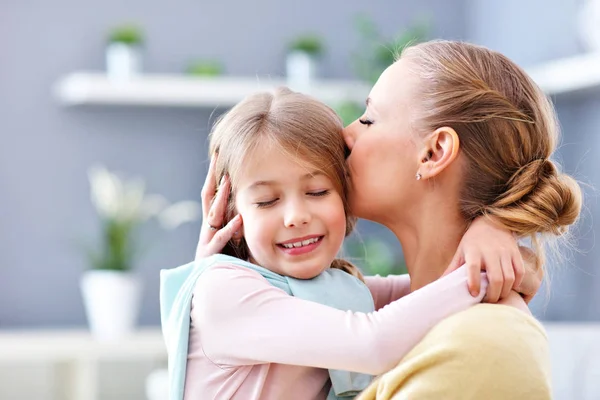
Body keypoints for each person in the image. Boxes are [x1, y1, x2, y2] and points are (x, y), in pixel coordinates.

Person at [161, 87, 540, 400]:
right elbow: (373, 342)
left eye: (317, 190)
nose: (295, 216)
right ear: (234, 218)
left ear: (344, 196)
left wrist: (493, 232)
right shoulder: (222, 291)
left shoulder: (334, 290)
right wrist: (486, 274)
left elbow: (428, 289)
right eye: (266, 201)